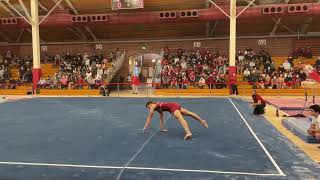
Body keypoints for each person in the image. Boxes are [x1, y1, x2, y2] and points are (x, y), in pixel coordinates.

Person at [143, 101, 208, 140]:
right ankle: (202, 121)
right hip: (174, 105)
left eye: (148, 107)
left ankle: (188, 133)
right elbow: (161, 118)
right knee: (189, 113)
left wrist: (145, 126)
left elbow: (149, 117)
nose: (149, 109)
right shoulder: (158, 107)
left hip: (172, 107)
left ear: (150, 104)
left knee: (180, 118)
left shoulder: (153, 106)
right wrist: (162, 129)